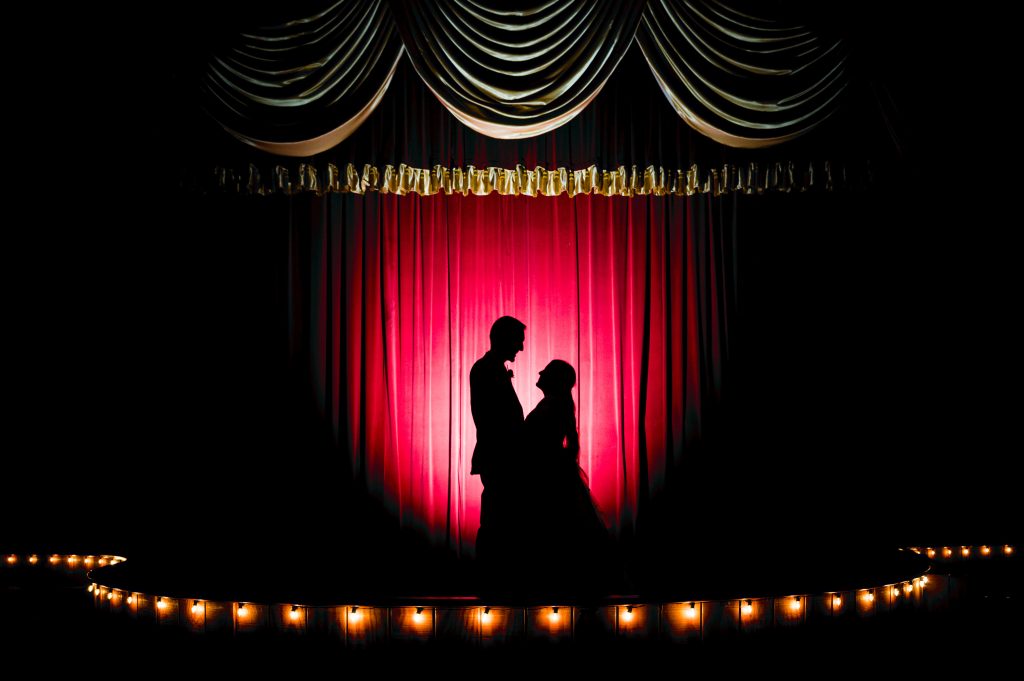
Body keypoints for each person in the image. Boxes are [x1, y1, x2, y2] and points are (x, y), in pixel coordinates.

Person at [523, 359, 612, 594]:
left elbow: (540, 442)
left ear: (555, 379)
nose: (540, 371)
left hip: (547, 477)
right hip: (550, 474)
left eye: (547, 370)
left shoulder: (553, 405)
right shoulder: (556, 403)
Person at [470, 316, 526, 576]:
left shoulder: (493, 368)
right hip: (499, 457)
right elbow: (488, 418)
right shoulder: (485, 369)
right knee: (496, 518)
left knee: (501, 516)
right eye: (518, 341)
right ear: (505, 339)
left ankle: (495, 571)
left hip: (503, 456)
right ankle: (490, 573)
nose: (521, 348)